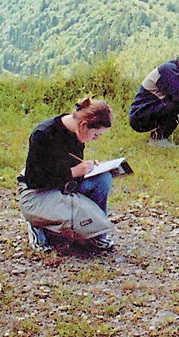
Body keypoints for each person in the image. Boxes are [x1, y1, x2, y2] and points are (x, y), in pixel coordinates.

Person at [18, 98, 117, 252]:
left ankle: (95, 235)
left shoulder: (78, 134)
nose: (95, 139)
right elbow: (33, 180)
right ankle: (38, 224)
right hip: (36, 193)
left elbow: (71, 170)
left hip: (62, 186)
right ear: (83, 125)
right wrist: (73, 172)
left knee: (103, 180)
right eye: (96, 134)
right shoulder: (43, 134)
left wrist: (88, 170)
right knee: (72, 213)